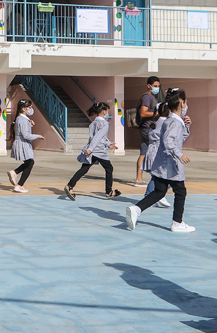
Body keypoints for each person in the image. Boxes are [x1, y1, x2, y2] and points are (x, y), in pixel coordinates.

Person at [128, 87, 191, 232]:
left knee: (159, 191)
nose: (186, 106)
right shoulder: (174, 122)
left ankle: (136, 209)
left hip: (163, 164)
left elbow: (180, 138)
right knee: (181, 191)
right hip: (171, 164)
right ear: (181, 103)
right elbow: (170, 142)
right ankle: (177, 222)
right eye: (185, 102)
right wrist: (179, 154)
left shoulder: (171, 121)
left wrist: (187, 126)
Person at [65, 102, 120, 200]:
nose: (108, 113)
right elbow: (98, 137)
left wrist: (108, 144)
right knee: (109, 169)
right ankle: (109, 191)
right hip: (98, 151)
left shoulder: (93, 123)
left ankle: (69, 186)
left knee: (84, 168)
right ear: (104, 111)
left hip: (93, 149)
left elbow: (95, 138)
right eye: (107, 111)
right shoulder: (104, 124)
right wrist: (90, 149)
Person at [7, 98, 42, 192]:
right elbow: (26, 135)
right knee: (30, 162)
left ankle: (15, 172)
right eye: (29, 107)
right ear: (23, 109)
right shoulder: (22, 120)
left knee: (29, 162)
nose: (31, 109)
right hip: (23, 144)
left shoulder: (22, 119)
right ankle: (19, 184)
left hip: (23, 143)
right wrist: (38, 136)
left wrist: (29, 123)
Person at [134, 76, 161, 186]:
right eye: (155, 86)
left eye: (158, 86)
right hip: (148, 129)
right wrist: (158, 114)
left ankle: (139, 179)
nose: (157, 88)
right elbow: (143, 113)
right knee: (156, 152)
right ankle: (156, 179)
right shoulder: (147, 97)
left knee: (143, 154)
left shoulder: (151, 97)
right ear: (148, 85)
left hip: (145, 128)